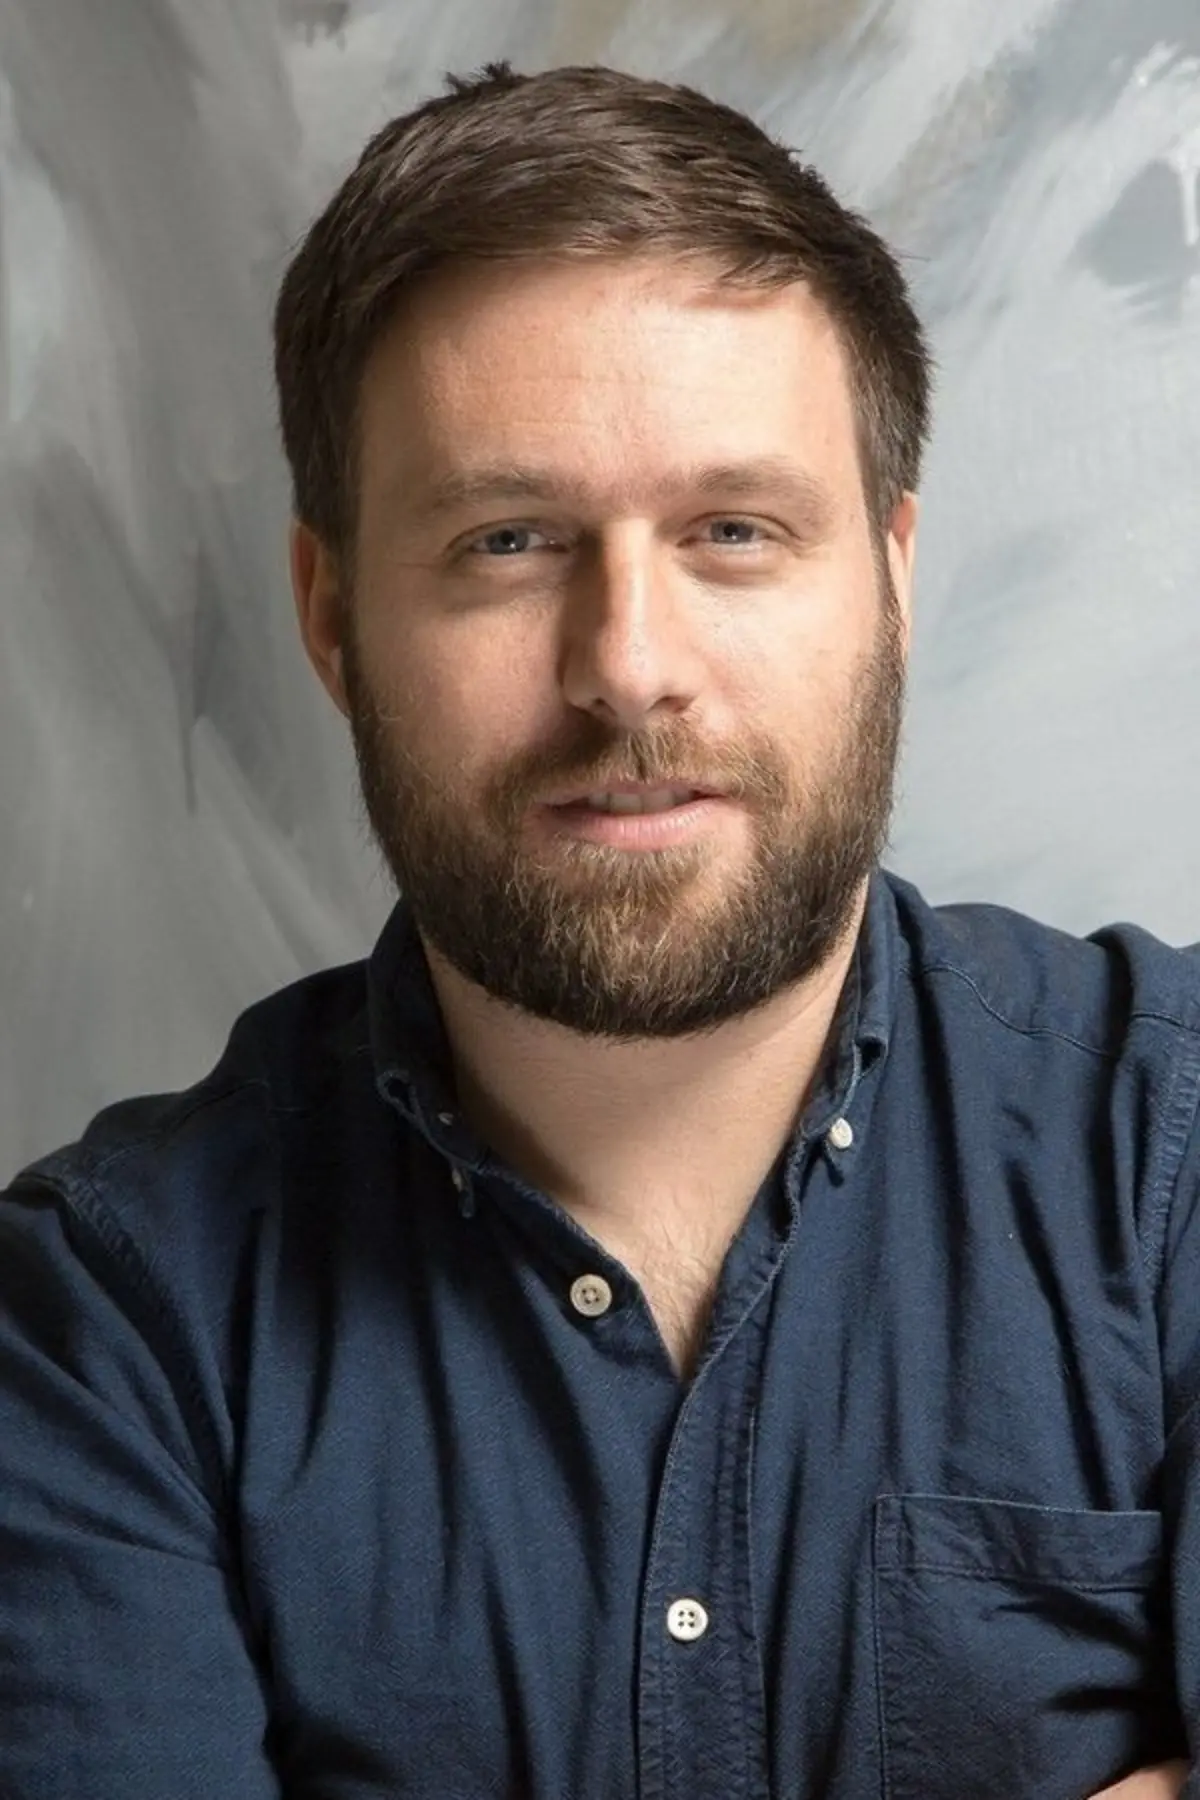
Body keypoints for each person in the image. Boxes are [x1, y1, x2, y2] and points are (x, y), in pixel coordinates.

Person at [0, 58, 1196, 1800]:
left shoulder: (1176, 1155)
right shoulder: (107, 1329)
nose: (628, 664)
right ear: (331, 618)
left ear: (891, 576)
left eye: (734, 531)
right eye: (508, 540)